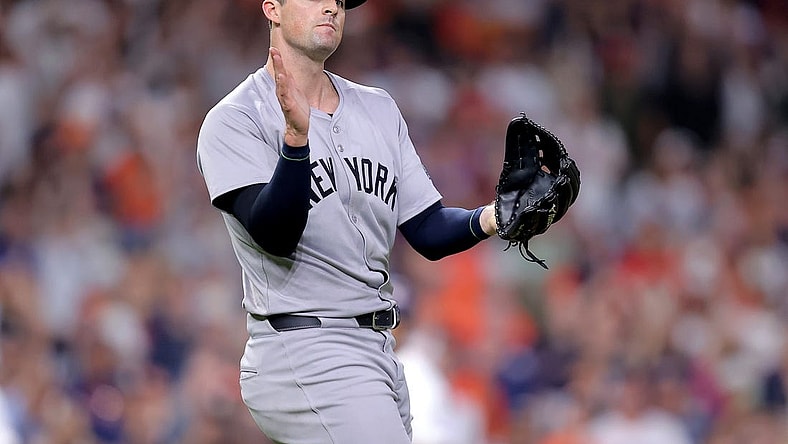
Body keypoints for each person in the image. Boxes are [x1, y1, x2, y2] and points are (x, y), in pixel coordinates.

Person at [196, 0, 498, 441]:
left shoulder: (377, 109)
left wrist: (496, 216)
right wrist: (296, 143)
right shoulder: (235, 119)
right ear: (272, 8)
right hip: (303, 345)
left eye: (339, 0)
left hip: (379, 350)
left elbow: (428, 229)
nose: (332, 8)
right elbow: (275, 236)